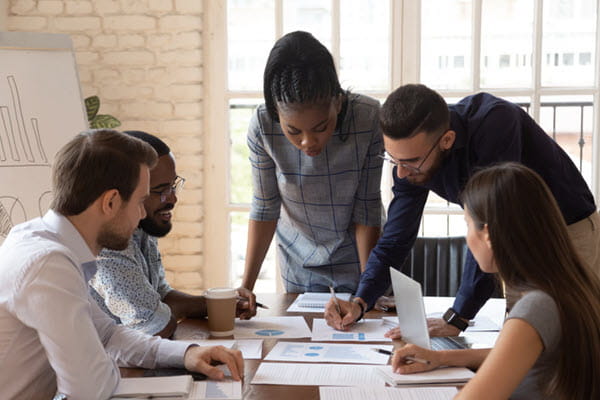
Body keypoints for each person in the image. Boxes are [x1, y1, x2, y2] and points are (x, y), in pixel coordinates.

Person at [325, 84, 599, 333]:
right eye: (393, 160)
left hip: (567, 232)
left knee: (571, 340)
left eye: (409, 162)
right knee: (527, 342)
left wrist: (458, 316)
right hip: (512, 240)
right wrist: (360, 301)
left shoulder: (496, 123)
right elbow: (396, 237)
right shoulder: (409, 164)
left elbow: (491, 222)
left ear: (447, 140)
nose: (402, 173)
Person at [0, 130, 243, 400]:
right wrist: (103, 366)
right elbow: (90, 389)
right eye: (140, 201)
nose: (141, 215)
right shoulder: (47, 264)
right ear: (111, 202)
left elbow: (107, 335)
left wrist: (187, 353)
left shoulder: (43, 242)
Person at [390, 163, 600, 399]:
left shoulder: (536, 307)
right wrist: (441, 358)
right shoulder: (573, 284)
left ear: (488, 234)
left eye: (468, 224)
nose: (468, 234)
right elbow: (514, 353)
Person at [241, 31, 384, 294]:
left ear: (338, 103)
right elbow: (265, 207)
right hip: (298, 262)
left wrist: (368, 292)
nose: (308, 142)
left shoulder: (368, 118)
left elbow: (367, 209)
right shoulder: (262, 125)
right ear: (275, 112)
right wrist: (246, 287)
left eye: (321, 127)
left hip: (361, 258)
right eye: (293, 131)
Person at [90, 130, 257, 338]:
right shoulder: (108, 244)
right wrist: (159, 309)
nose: (173, 199)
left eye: (173, 186)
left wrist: (219, 304)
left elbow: (161, 295)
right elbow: (155, 328)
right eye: (160, 190)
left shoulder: (141, 226)